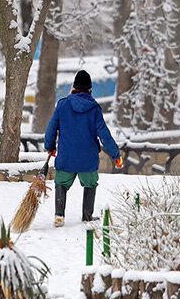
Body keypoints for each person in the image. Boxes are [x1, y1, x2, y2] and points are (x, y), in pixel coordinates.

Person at [44, 70, 123, 227]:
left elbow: (51, 128)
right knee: (90, 184)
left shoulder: (62, 105)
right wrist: (115, 155)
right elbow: (104, 135)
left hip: (66, 157)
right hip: (87, 160)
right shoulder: (94, 108)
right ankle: (87, 216)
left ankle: (59, 215)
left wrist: (50, 146)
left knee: (61, 183)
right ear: (90, 89)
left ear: (73, 87)